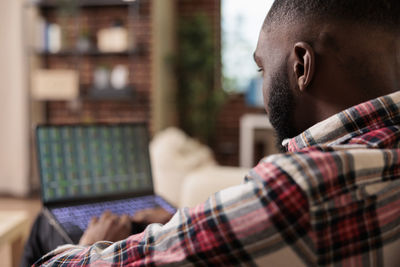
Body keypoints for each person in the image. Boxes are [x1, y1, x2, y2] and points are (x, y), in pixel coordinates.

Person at [32, 0, 400, 265]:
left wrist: (90, 243)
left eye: (261, 68)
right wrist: (189, 222)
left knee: (43, 231)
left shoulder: (300, 189)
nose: (263, 86)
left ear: (301, 65)